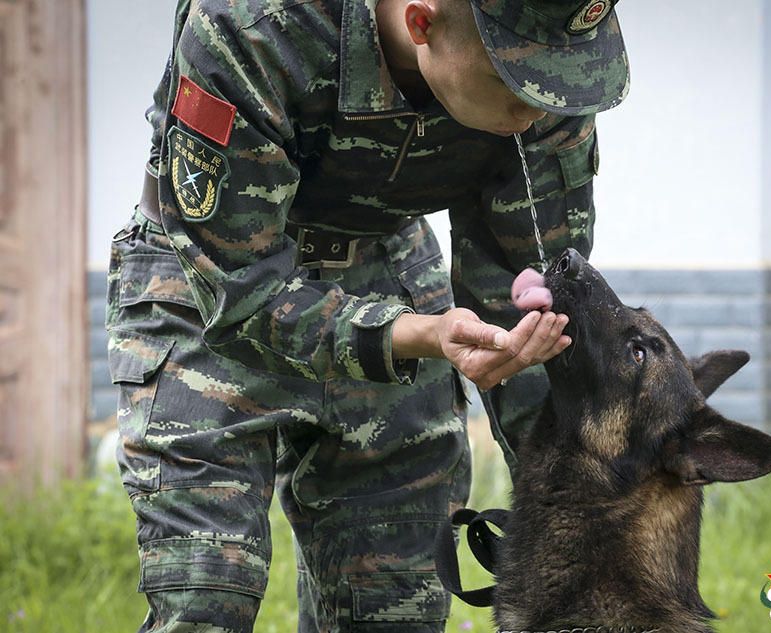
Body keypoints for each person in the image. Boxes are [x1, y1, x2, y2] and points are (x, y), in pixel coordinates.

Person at [105, 0, 629, 631]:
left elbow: (530, 311)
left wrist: (586, 526)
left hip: (384, 262)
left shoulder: (548, 73)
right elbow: (241, 290)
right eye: (512, 80)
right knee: (205, 598)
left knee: (393, 605)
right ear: (421, 23)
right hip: (204, 284)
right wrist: (419, 333)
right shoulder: (253, 27)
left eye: (551, 81)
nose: (538, 110)